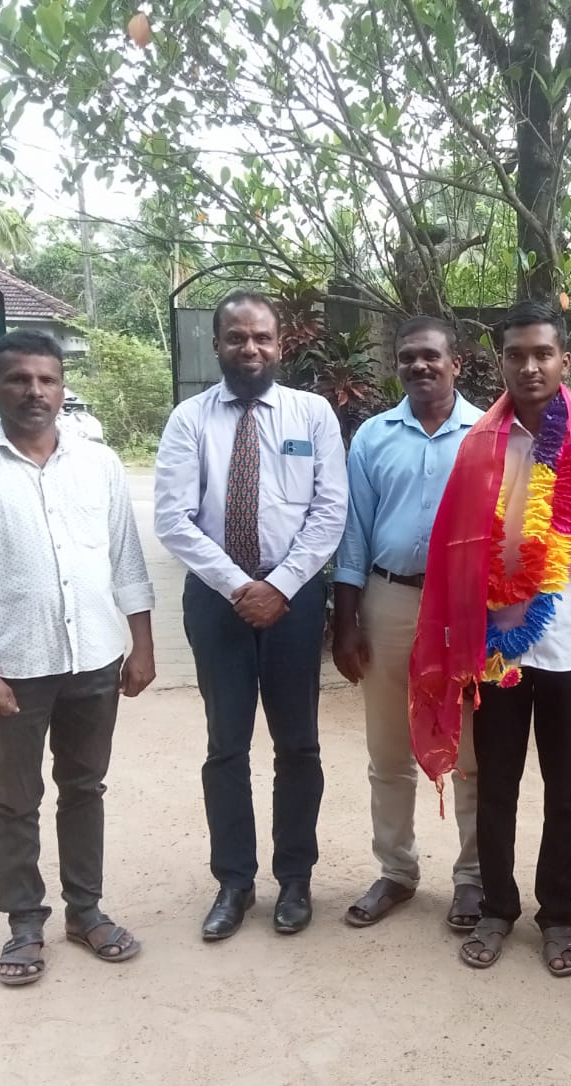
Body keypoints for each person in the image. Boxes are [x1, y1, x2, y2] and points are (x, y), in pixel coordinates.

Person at [408, 299, 571, 977]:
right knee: (496, 785)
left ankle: (557, 916)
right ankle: (497, 907)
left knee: (566, 790)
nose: (529, 366)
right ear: (500, 363)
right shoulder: (478, 448)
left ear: (564, 361)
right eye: (516, 355)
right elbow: (458, 552)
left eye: (542, 353)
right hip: (496, 650)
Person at [0, 329, 156, 986]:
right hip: (14, 666)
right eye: (19, 379)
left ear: (61, 388)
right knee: (16, 796)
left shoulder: (98, 463)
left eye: (47, 379)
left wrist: (141, 644)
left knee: (84, 787)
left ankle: (86, 911)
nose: (35, 391)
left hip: (94, 658)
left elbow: (126, 558)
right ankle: (25, 922)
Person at [155, 290, 347, 941]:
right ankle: (234, 882)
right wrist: (241, 586)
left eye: (262, 337)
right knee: (226, 746)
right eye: (236, 337)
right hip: (217, 601)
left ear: (280, 344)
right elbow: (172, 518)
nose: (250, 348)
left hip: (294, 601)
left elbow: (330, 511)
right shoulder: (189, 419)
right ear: (217, 344)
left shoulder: (311, 414)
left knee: (299, 745)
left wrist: (280, 585)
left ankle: (295, 878)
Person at [332, 316, 485, 932]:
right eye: (407, 358)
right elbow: (353, 534)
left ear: (456, 364)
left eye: (430, 356)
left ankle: (472, 879)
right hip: (389, 600)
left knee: (472, 751)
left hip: (464, 610)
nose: (419, 366)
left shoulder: (488, 434)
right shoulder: (373, 437)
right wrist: (346, 621)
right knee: (388, 748)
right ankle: (396, 870)